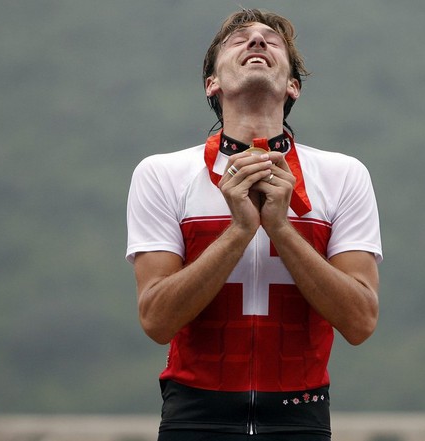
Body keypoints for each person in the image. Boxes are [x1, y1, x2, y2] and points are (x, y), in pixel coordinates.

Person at [126, 8, 382, 441]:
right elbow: (156, 320)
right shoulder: (162, 173)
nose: (258, 42)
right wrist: (240, 231)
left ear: (292, 87)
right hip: (194, 415)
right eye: (240, 39)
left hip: (301, 417)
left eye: (272, 40)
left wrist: (281, 228)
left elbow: (360, 322)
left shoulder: (344, 174)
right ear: (213, 83)